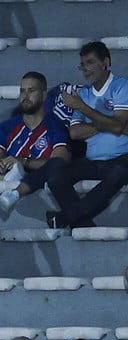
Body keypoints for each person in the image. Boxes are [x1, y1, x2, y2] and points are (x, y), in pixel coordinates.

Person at [43, 41, 128, 232]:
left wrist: (84, 110)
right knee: (56, 176)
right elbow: (75, 132)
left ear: (105, 62)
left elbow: (117, 125)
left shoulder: (122, 86)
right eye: (83, 64)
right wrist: (109, 123)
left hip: (123, 158)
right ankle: (83, 224)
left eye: (90, 63)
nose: (85, 69)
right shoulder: (83, 93)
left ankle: (65, 217)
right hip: (93, 160)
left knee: (119, 173)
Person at [0, 73, 73, 220]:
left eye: (31, 91)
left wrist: (24, 162)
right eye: (22, 91)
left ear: (44, 95)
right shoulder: (7, 126)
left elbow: (60, 162)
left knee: (55, 168)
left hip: (36, 177)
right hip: (7, 175)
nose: (25, 96)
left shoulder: (56, 126)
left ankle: (17, 179)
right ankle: (6, 179)